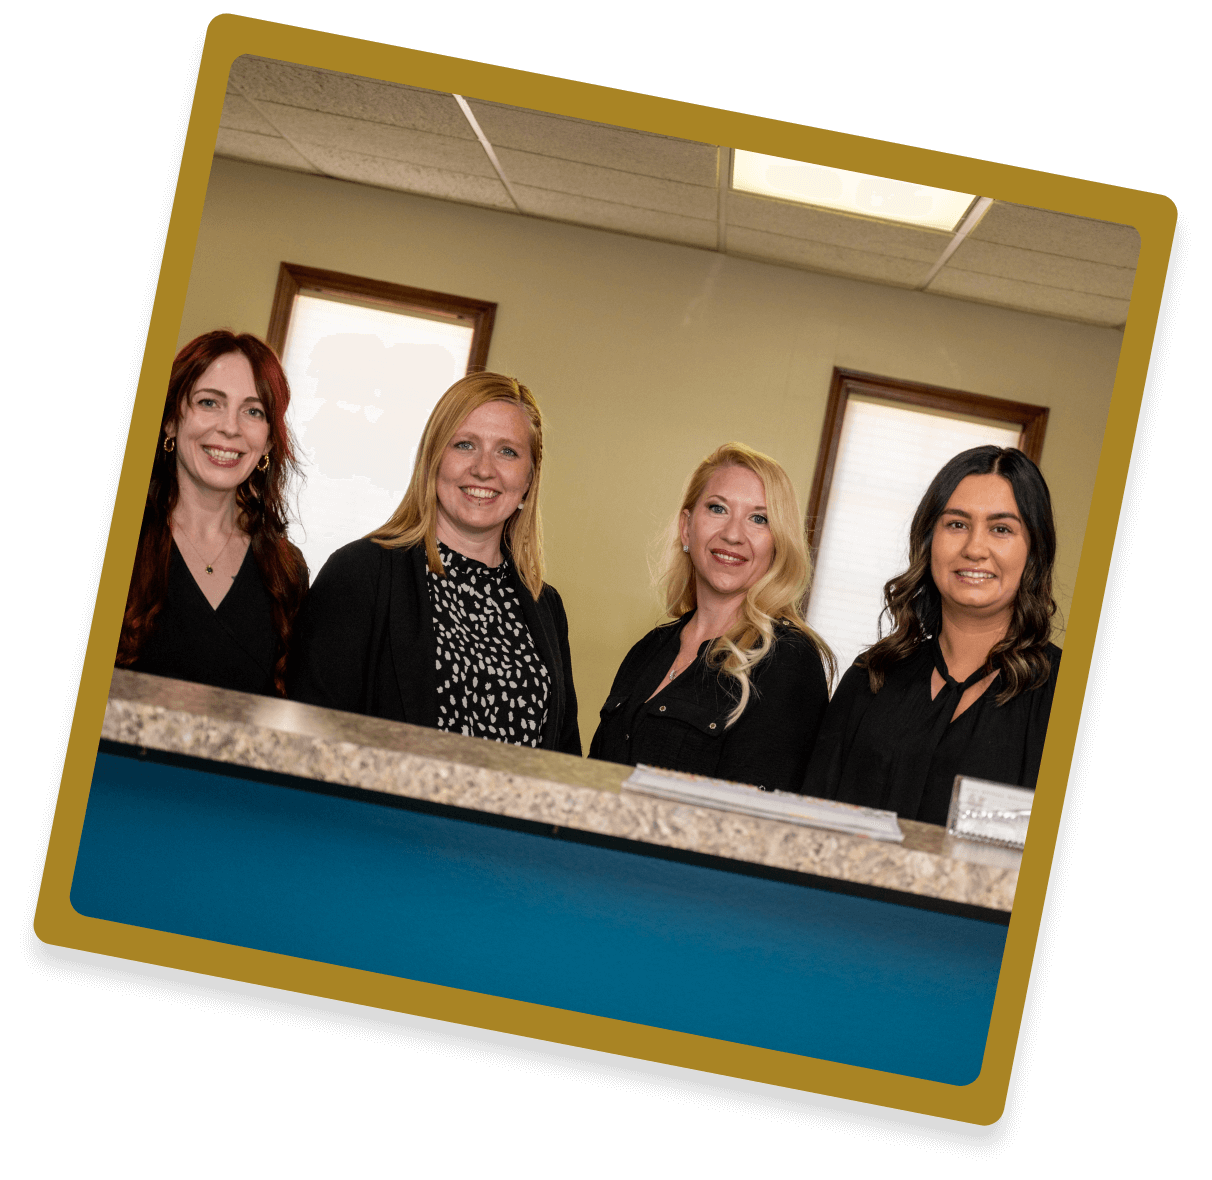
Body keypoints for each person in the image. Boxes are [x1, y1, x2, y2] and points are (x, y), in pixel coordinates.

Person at [289, 372, 580, 754]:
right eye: (464, 445)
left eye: (507, 451)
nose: (483, 469)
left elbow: (562, 758)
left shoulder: (546, 608)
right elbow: (308, 737)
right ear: (433, 459)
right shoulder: (360, 573)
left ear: (529, 478)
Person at [801, 445, 1062, 824]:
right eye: (956, 524)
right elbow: (809, 823)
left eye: (1001, 529)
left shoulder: (1061, 696)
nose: (974, 548)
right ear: (928, 540)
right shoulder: (871, 676)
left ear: (1034, 551)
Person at [589, 443, 834, 792]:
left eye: (759, 518)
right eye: (718, 509)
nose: (733, 534)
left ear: (778, 544)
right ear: (687, 528)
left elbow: (758, 827)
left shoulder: (787, 662)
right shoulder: (648, 649)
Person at [116, 330, 309, 696]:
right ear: (171, 420)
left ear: (268, 440)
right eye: (209, 403)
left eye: (253, 411)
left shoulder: (286, 572)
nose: (230, 427)